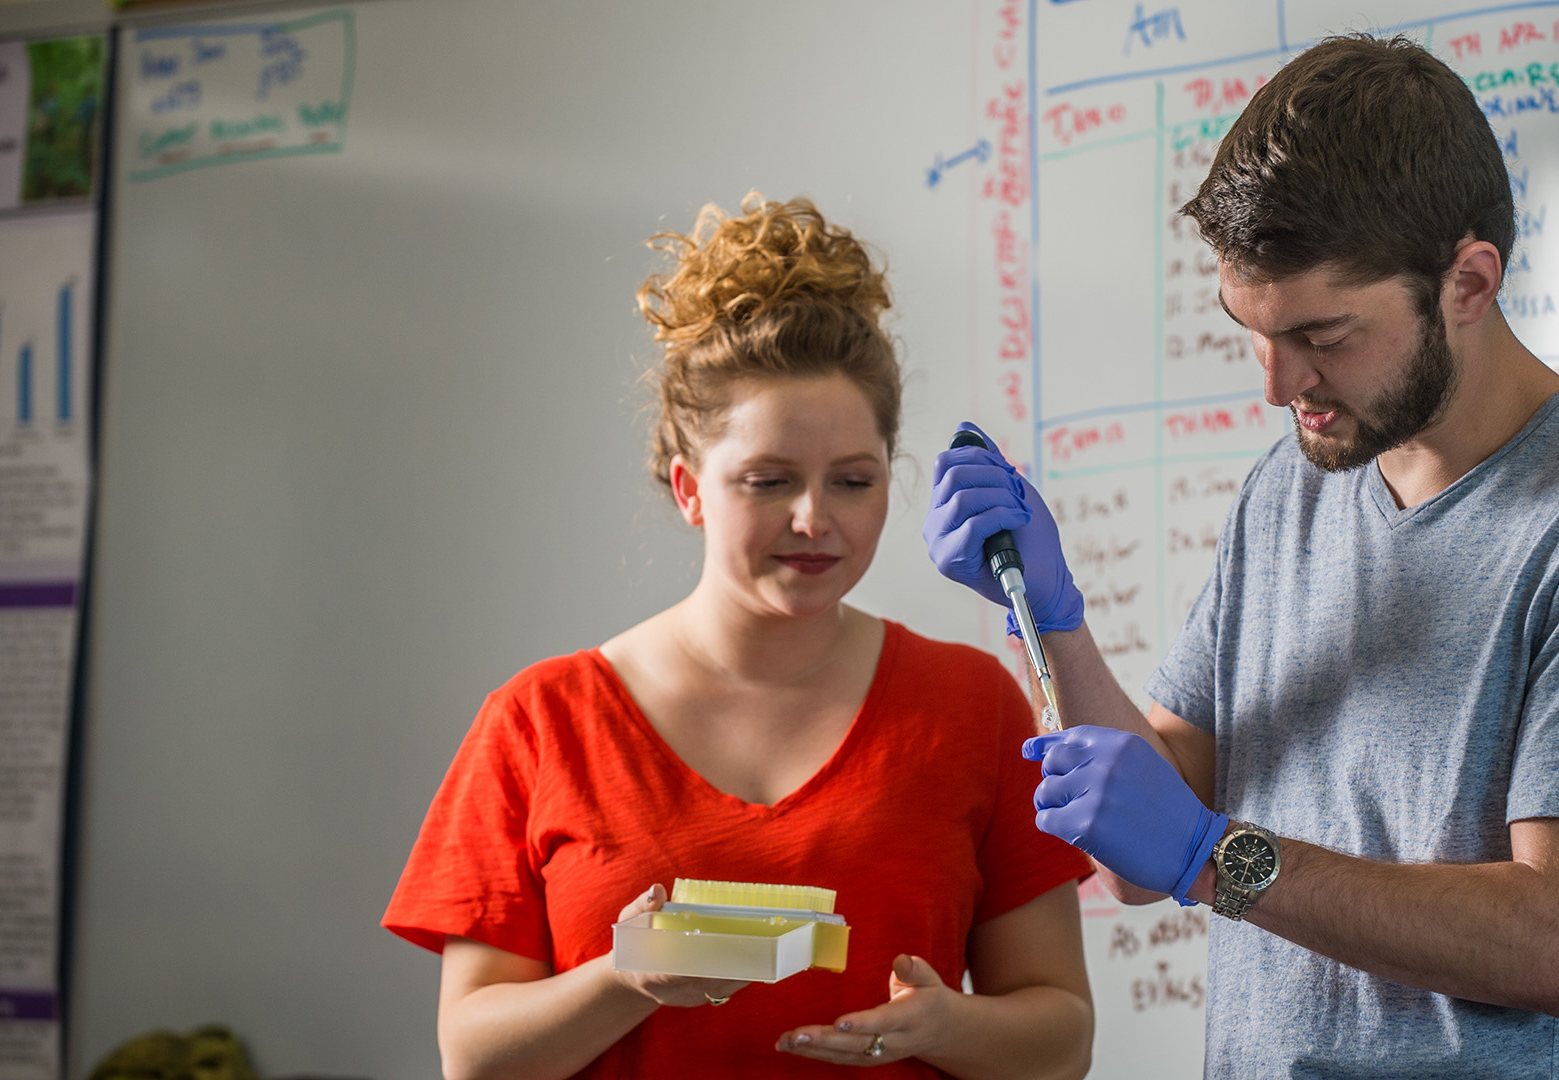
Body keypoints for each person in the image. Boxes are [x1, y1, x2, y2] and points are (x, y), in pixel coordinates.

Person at [924, 35, 1559, 1079]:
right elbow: (1153, 831)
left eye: (1325, 333)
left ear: (1470, 280)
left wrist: (1214, 859)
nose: (1280, 385)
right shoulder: (1294, 482)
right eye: (1253, 329)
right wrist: (1050, 619)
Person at [385, 194, 1094, 1080]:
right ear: (689, 489)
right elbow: (473, 1058)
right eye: (767, 480)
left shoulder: (973, 704)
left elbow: (1061, 1039)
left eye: (852, 480)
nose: (813, 519)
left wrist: (944, 1028)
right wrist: (626, 977)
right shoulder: (539, 720)